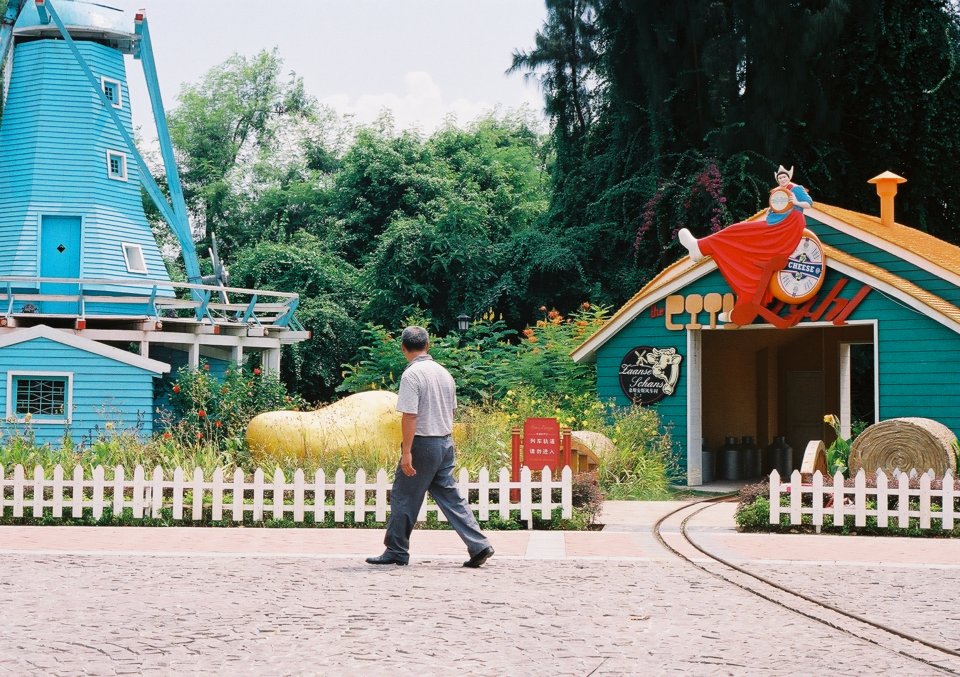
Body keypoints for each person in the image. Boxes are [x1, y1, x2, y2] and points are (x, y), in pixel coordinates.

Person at [366, 325, 495, 568]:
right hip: (445, 441)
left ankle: (396, 550)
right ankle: (479, 544)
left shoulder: (412, 375)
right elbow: (452, 410)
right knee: (450, 496)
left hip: (423, 444)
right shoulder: (444, 373)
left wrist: (407, 452)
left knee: (404, 496)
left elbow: (410, 416)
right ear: (428, 346)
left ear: (404, 348)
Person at [677, 165, 813, 322]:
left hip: (786, 227)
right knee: (741, 241)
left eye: (784, 177)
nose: (782, 179)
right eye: (780, 177)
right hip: (774, 226)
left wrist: (795, 201)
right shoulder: (776, 192)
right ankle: (700, 248)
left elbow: (809, 204)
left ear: (789, 177)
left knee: (738, 232)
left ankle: (700, 247)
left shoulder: (796, 189)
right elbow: (774, 210)